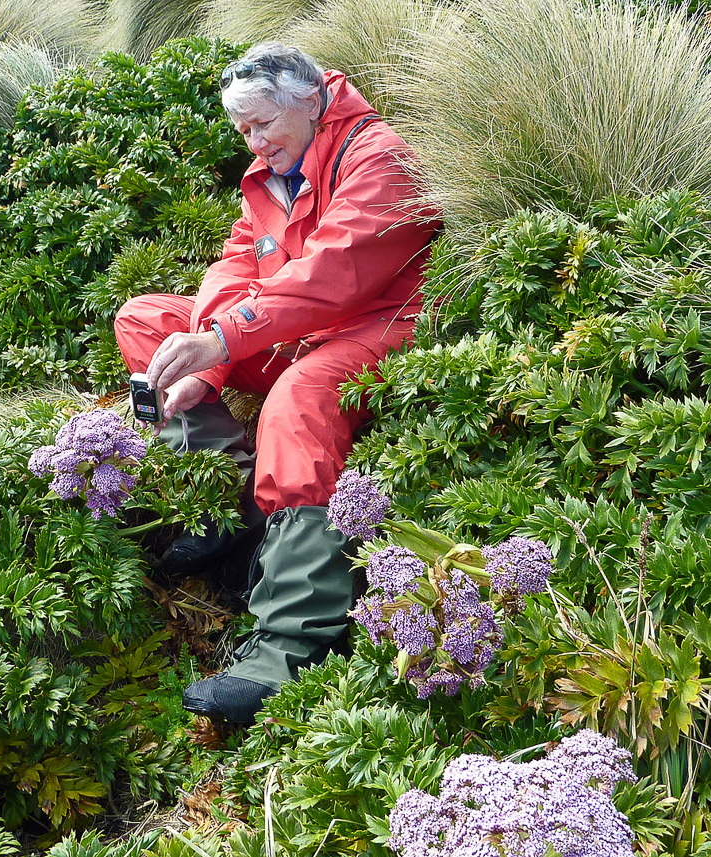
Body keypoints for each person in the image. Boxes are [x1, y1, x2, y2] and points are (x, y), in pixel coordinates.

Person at [114, 42, 440, 723]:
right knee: (147, 321)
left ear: (311, 98)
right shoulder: (270, 171)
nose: (255, 144)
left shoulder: (377, 156)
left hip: (379, 327)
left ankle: (288, 647)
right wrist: (205, 355)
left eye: (264, 125)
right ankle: (227, 508)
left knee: (296, 400)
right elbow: (237, 266)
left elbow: (334, 277)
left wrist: (226, 338)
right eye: (243, 132)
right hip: (296, 329)